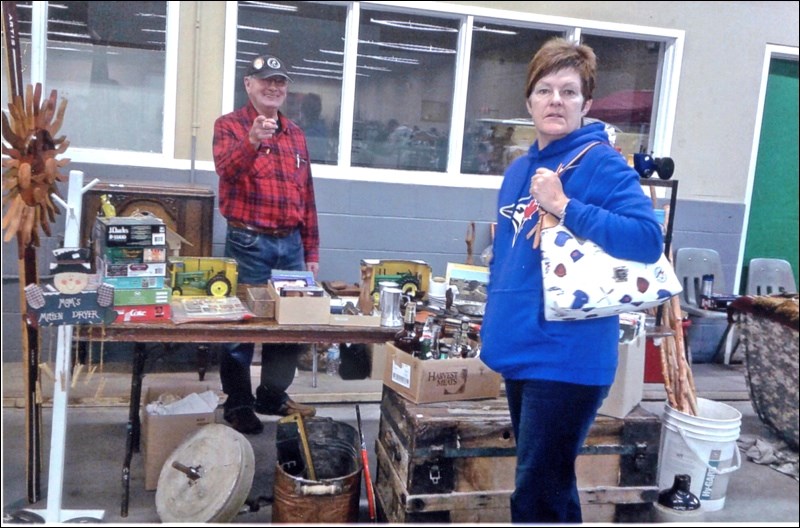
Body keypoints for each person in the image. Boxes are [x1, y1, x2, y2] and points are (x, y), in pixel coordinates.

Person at [479, 38, 664, 523]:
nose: (555, 100)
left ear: (585, 103)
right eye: (544, 90)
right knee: (551, 486)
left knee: (536, 496)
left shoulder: (599, 161)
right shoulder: (520, 169)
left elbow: (647, 239)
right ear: (529, 101)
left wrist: (565, 207)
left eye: (568, 90)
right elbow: (510, 258)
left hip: (567, 358)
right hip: (521, 351)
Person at [213, 54, 320, 435]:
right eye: (265, 81)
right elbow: (226, 171)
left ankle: (272, 395)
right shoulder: (228, 126)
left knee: (290, 327)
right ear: (248, 84)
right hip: (248, 242)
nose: (273, 87)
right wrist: (252, 141)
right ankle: (238, 403)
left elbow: (306, 195)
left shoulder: (296, 134)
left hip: (290, 245)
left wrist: (311, 251)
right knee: (239, 329)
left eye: (280, 82)